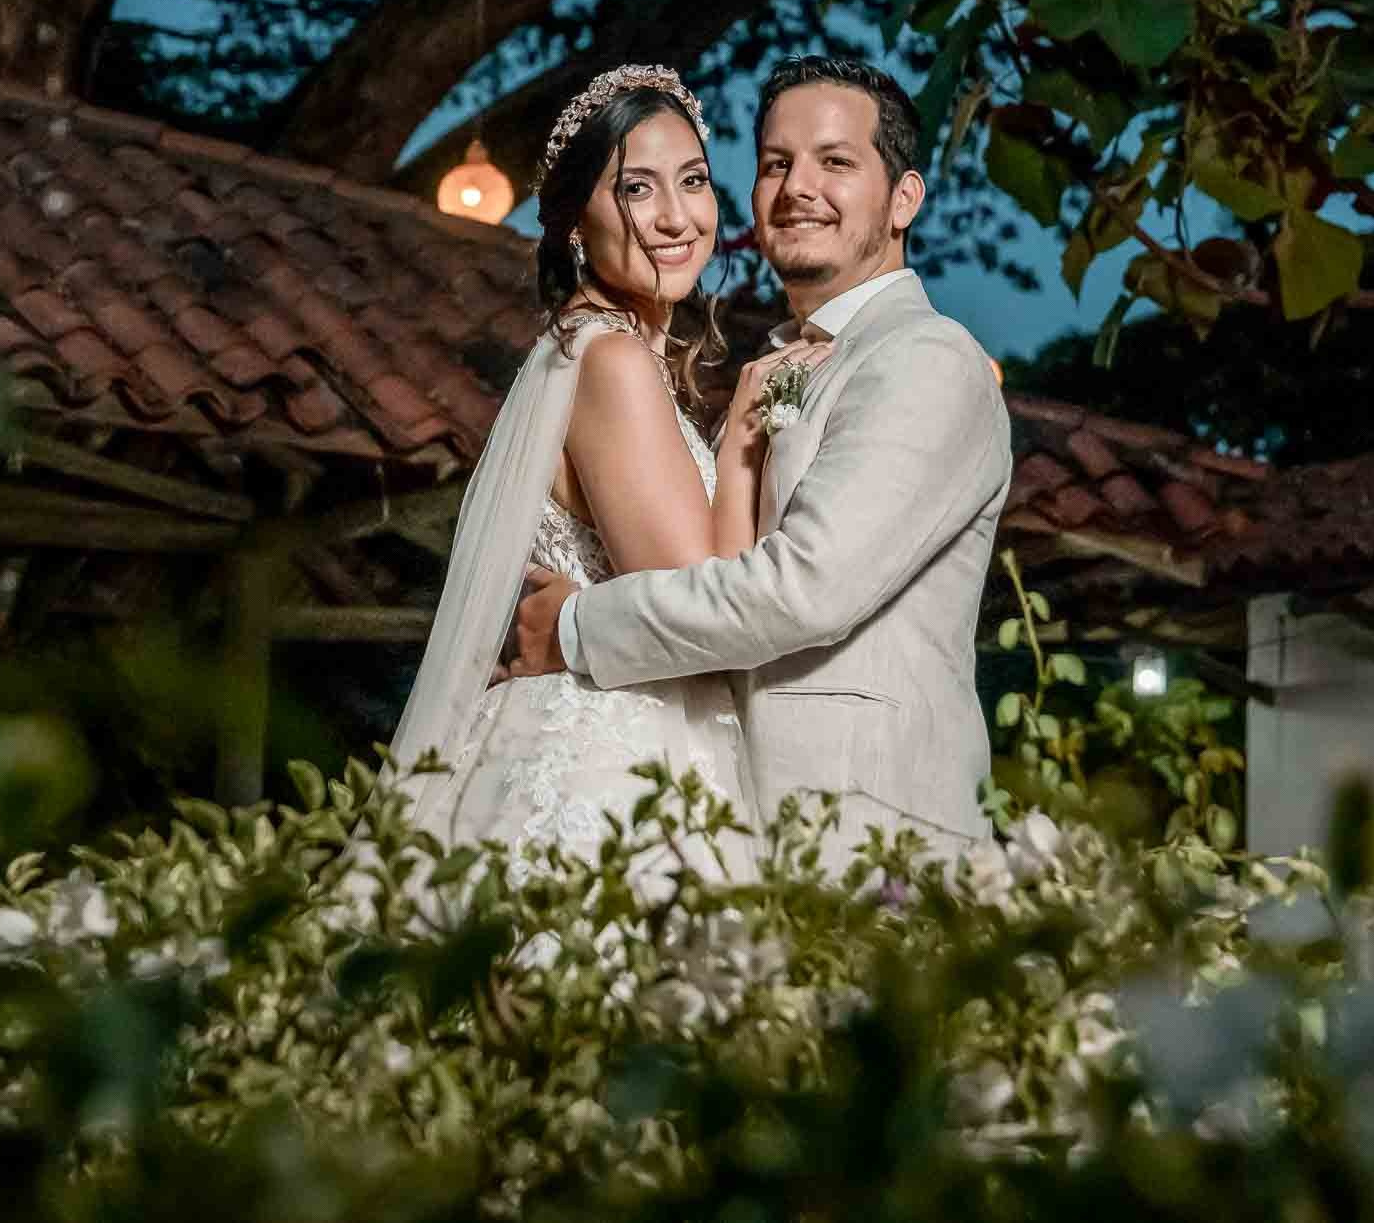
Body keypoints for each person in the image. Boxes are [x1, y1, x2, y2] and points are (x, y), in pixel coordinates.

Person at [501, 56, 1010, 872]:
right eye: (777, 163)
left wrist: (573, 627)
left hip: (866, 836)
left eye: (836, 162)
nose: (797, 186)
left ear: (905, 198)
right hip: (724, 818)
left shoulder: (928, 360)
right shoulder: (752, 367)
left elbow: (800, 588)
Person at [386, 64, 826, 884]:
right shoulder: (612, 358)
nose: (675, 217)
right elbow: (700, 604)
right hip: (613, 764)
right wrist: (743, 436)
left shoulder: (592, 351)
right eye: (636, 189)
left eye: (692, 181)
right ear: (578, 224)